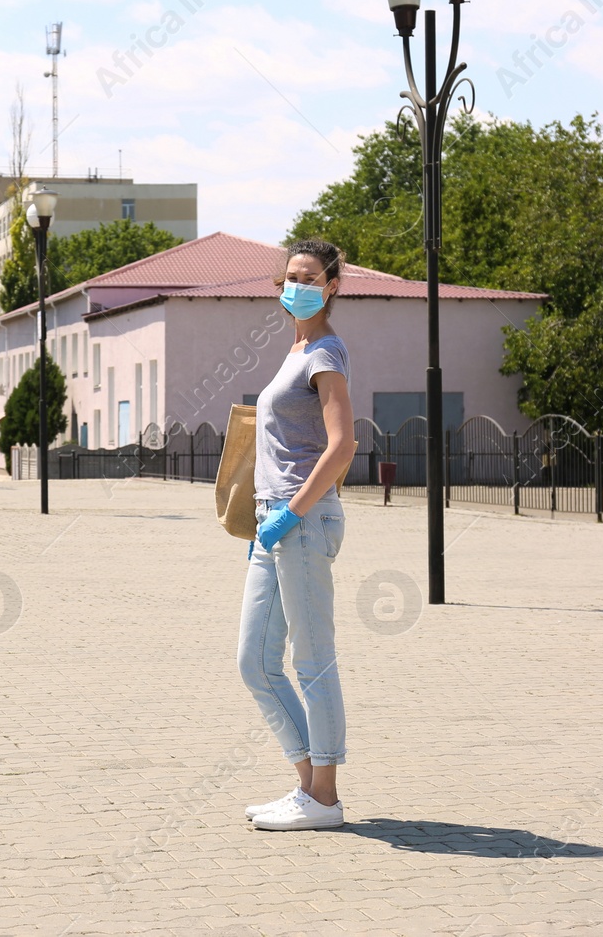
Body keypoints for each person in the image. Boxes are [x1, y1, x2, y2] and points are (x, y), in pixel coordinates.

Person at [238, 238, 353, 831]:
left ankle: (325, 800)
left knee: (313, 663)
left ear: (332, 285)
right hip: (272, 519)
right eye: (290, 275)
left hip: (300, 519)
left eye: (309, 276)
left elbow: (342, 445)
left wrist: (293, 511)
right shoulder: (296, 348)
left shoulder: (325, 352)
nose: (297, 284)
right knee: (255, 661)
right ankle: (307, 784)